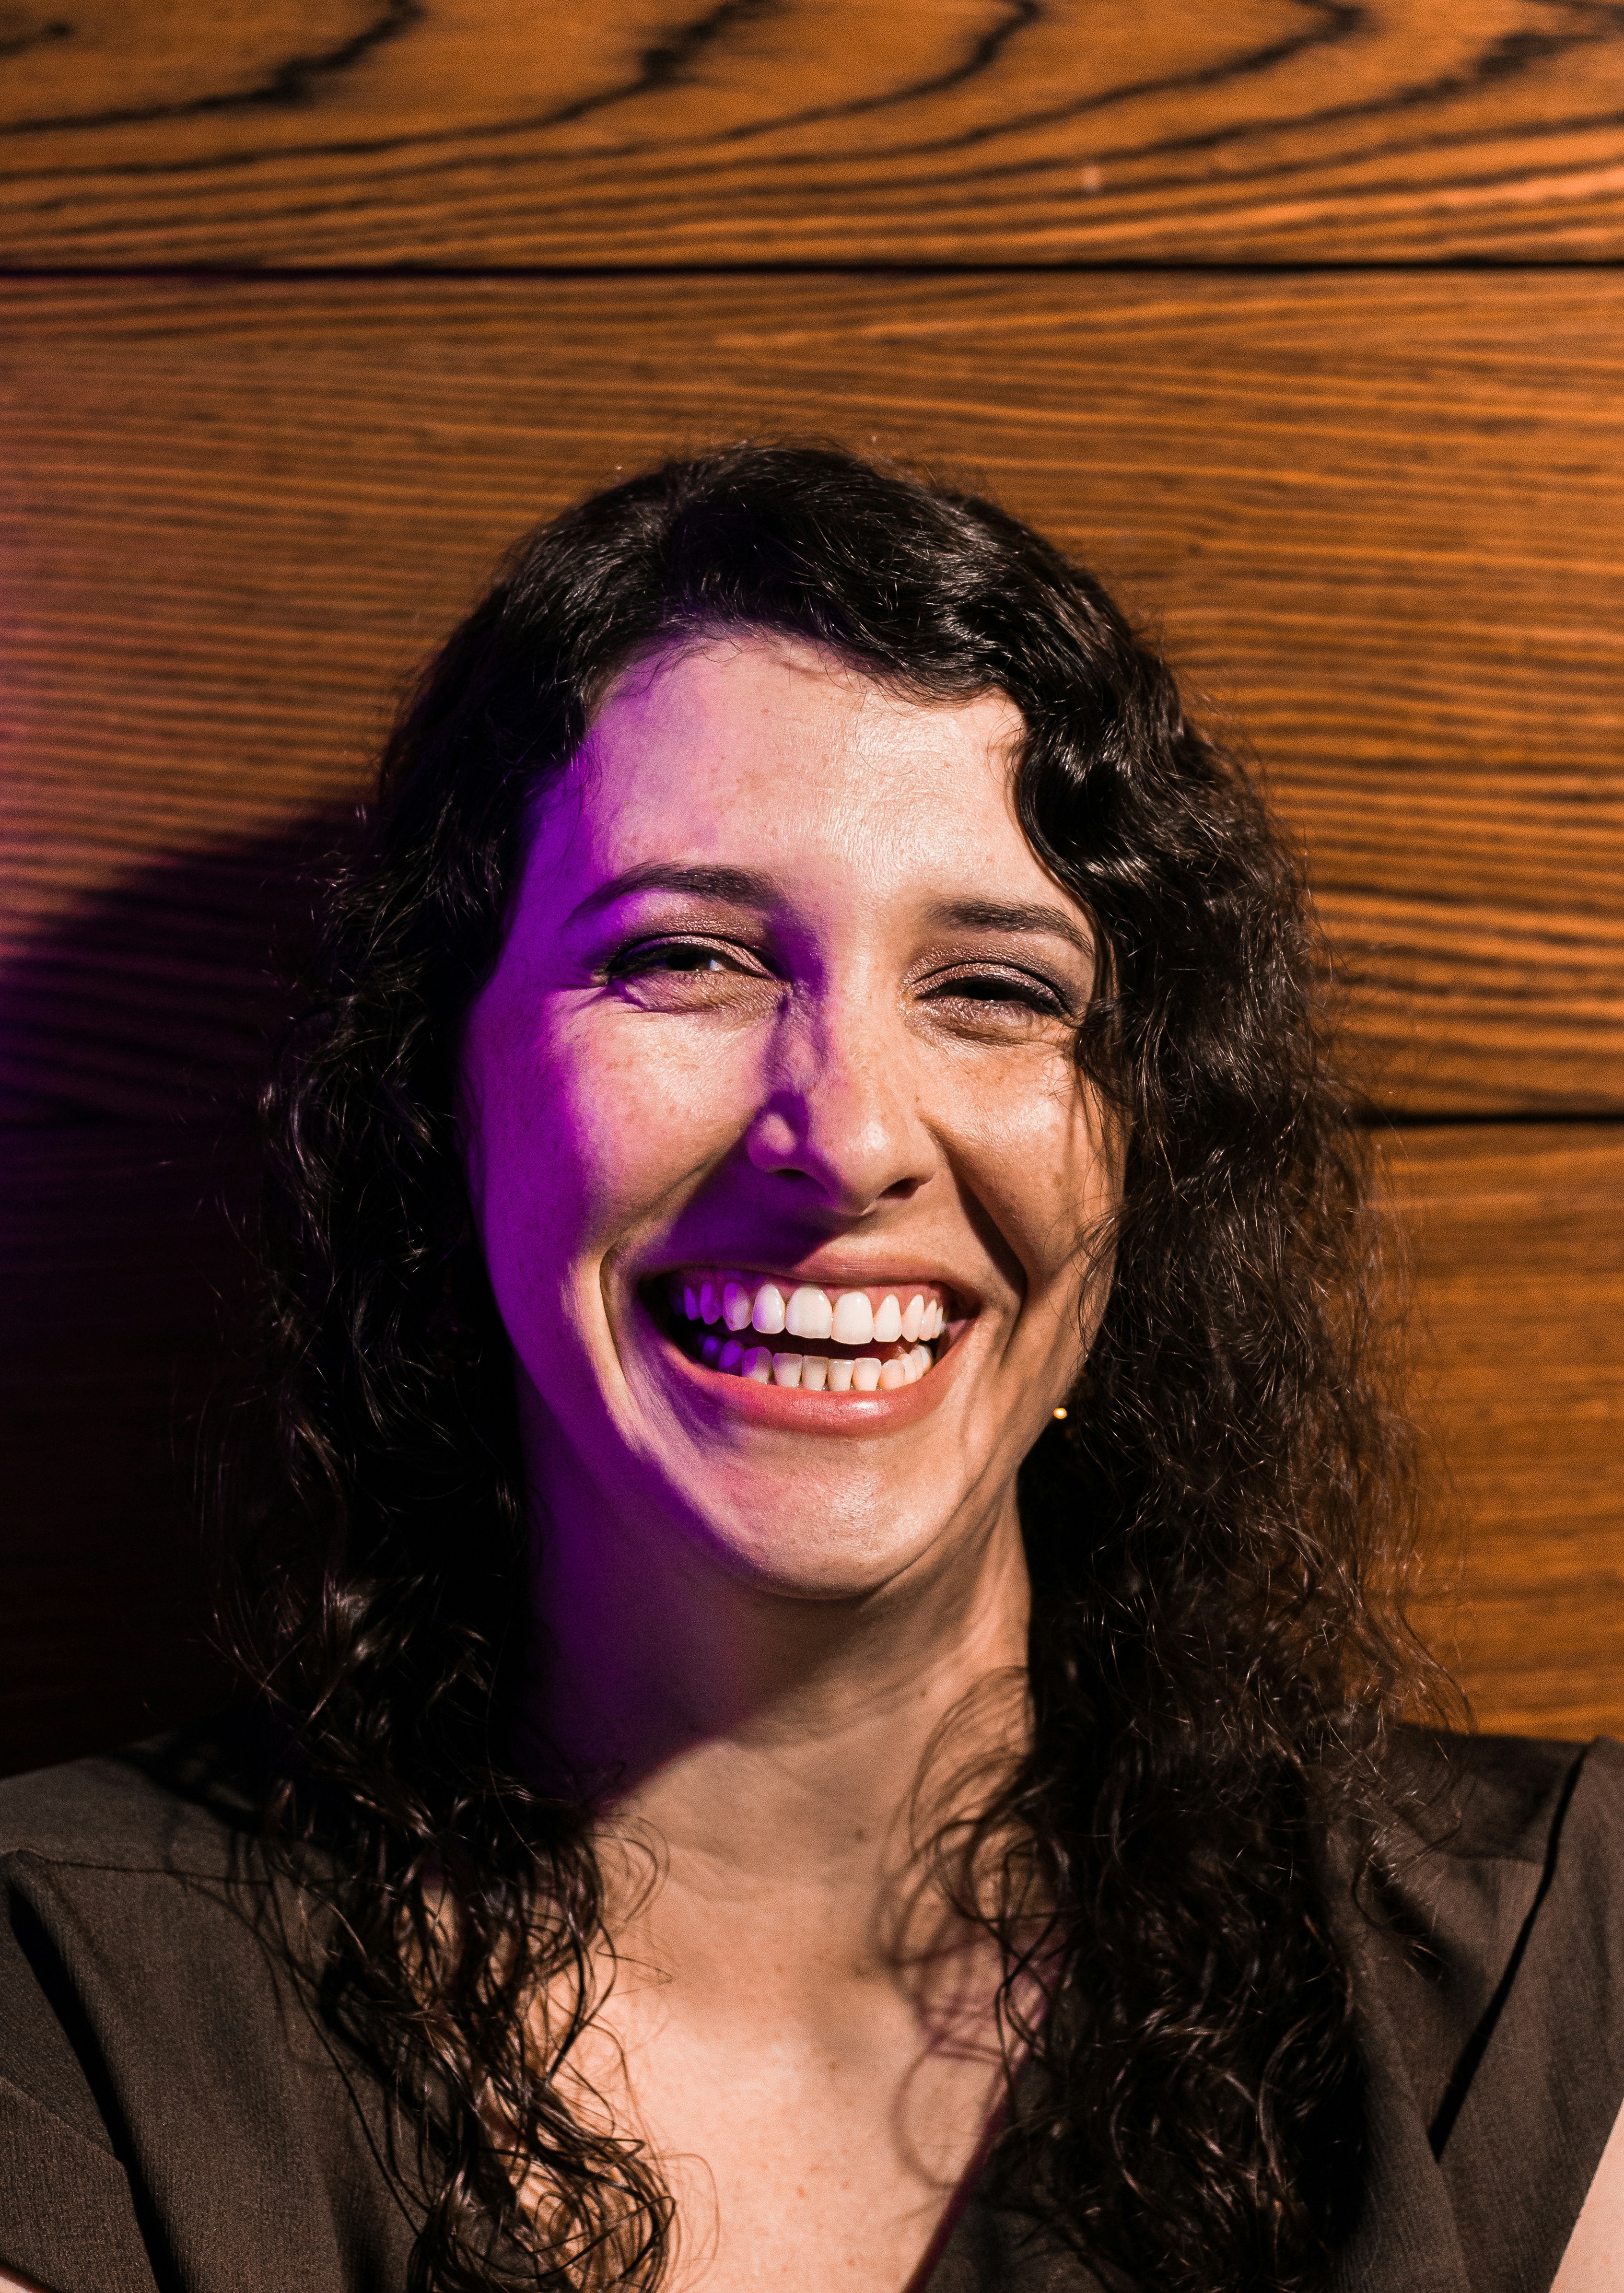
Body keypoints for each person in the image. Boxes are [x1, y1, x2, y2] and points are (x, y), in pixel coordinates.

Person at [0, 445, 1619, 2293]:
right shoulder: (67, 2015)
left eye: (995, 987)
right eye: (687, 958)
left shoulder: (1547, 1980)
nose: (845, 1139)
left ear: (1141, 1148)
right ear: (437, 1090)